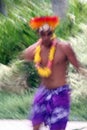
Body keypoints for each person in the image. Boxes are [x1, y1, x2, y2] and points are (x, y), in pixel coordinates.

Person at [21, 16, 87, 130]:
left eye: (49, 33)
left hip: (60, 92)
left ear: (53, 33)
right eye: (43, 34)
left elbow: (79, 67)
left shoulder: (64, 47)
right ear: (38, 34)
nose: (46, 37)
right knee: (35, 122)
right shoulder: (36, 50)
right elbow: (24, 56)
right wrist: (38, 44)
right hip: (43, 91)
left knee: (57, 127)